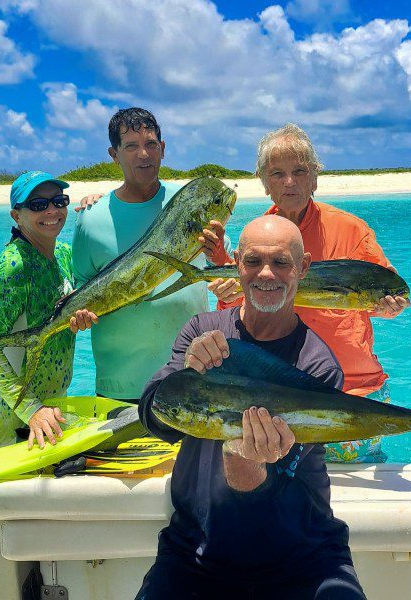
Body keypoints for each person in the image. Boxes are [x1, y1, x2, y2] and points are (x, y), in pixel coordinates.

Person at [136, 216, 366, 600]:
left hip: (304, 555)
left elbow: (271, 501)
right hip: (196, 552)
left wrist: (244, 461)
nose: (266, 274)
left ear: (303, 268)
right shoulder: (202, 331)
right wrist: (184, 371)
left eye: (281, 263)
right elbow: (154, 418)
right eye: (253, 261)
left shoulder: (317, 366)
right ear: (236, 263)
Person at [203, 123, 410, 464]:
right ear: (264, 181)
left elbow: (384, 294)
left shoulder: (352, 229)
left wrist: (390, 308)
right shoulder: (258, 234)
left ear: (315, 177)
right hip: (280, 397)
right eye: (278, 173)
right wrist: (225, 287)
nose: (290, 182)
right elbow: (242, 313)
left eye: (300, 171)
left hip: (352, 391)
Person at [0, 171, 97, 600]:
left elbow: (76, 307)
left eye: (58, 201)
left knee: (28, 509)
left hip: (47, 407)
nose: (51, 211)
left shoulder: (60, 253)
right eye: (37, 205)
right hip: (9, 411)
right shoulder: (11, 268)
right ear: (16, 215)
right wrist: (30, 407)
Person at [72, 108, 225, 402]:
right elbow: (82, 286)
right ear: (114, 154)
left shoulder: (191, 205)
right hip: (119, 388)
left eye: (151, 144)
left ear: (163, 149)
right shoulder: (91, 219)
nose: (143, 154)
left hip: (193, 377)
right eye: (130, 146)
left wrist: (222, 267)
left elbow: (223, 268)